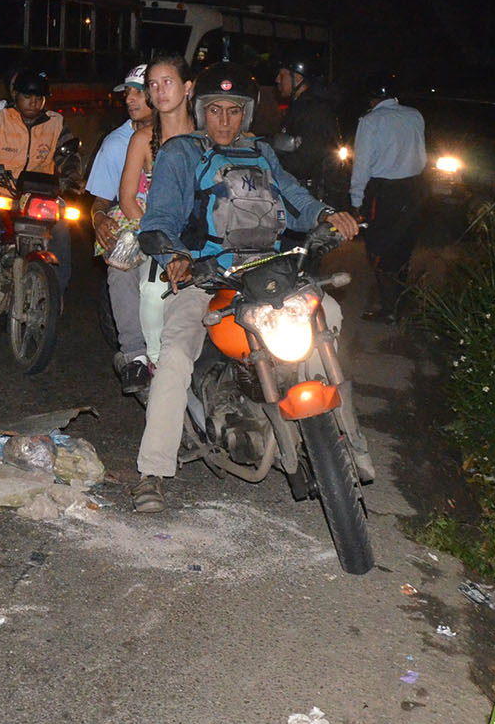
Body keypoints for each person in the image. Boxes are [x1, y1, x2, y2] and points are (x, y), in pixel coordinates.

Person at [131, 63, 365, 514]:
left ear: (247, 113)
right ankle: (152, 472)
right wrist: (174, 257)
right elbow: (158, 219)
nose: (224, 120)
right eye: (214, 110)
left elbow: (293, 196)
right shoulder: (180, 153)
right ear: (200, 111)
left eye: (234, 111)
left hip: (269, 275)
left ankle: (336, 434)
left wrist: (325, 216)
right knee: (177, 354)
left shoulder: (260, 151)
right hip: (206, 279)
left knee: (328, 319)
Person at [0, 68, 82, 305]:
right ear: (16, 96)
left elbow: (67, 154)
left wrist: (72, 174)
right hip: (0, 187)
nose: (33, 102)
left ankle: (57, 289)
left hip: (41, 192)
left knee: (64, 223)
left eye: (38, 98)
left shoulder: (56, 123)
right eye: (27, 96)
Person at [118, 57, 194, 370]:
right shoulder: (142, 140)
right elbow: (127, 200)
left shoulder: (207, 136)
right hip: (157, 234)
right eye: (153, 84)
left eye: (167, 82)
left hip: (201, 234)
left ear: (188, 88)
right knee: (149, 290)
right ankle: (150, 361)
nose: (160, 91)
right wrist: (155, 237)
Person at [86, 64, 152, 386]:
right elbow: (101, 201)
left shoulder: (188, 135)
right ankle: (134, 354)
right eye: (127, 92)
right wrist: (98, 219)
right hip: (136, 228)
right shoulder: (117, 143)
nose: (130, 99)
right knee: (121, 263)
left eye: (138, 91)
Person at [350, 77, 426, 323]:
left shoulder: (371, 121)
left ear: (373, 98)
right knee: (403, 244)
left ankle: (391, 309)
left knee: (378, 249)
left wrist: (355, 200)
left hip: (385, 191)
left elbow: (361, 165)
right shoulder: (414, 115)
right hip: (414, 187)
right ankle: (401, 302)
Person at [273, 56, 341, 197]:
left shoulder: (313, 110)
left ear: (297, 78)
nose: (277, 80)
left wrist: (272, 162)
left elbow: (305, 161)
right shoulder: (300, 106)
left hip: (314, 194)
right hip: (304, 189)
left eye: (282, 75)